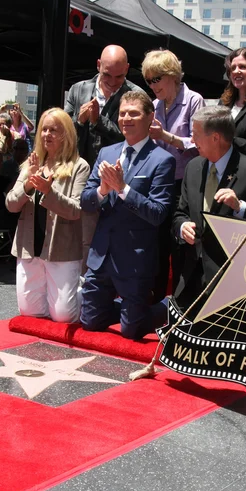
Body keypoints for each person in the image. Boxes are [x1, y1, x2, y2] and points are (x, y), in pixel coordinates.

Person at [80, 90, 175, 340]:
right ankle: (128, 312)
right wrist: (103, 189)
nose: (126, 119)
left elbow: (157, 213)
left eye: (133, 113)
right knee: (90, 322)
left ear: (150, 117)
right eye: (122, 113)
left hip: (135, 259)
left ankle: (165, 309)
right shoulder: (106, 153)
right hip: (102, 254)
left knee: (132, 332)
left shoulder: (162, 160)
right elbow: (86, 202)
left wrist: (123, 189)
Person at [172, 105, 246, 312]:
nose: (192, 140)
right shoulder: (193, 167)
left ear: (215, 138)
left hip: (228, 279)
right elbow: (180, 212)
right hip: (191, 275)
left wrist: (239, 206)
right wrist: (182, 227)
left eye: (196, 134)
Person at [5, 108, 90, 323]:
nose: (47, 135)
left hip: (62, 250)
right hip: (29, 247)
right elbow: (11, 205)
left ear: (67, 135)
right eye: (44, 129)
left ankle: (86, 292)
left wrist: (48, 192)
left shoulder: (79, 167)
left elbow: (76, 210)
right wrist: (27, 183)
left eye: (54, 130)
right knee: (30, 312)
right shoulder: (30, 164)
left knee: (63, 316)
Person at [141, 49, 205, 301]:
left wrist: (167, 137)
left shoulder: (194, 100)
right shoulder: (154, 105)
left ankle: (180, 303)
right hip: (159, 182)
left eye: (156, 79)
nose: (152, 85)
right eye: (148, 80)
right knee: (156, 243)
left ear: (172, 76)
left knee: (180, 244)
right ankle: (154, 300)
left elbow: (200, 143)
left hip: (185, 184)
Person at [64, 44, 143, 168]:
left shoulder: (137, 96)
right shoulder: (78, 89)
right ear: (98, 65)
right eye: (107, 75)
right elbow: (62, 129)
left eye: (119, 77)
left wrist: (98, 121)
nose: (112, 82)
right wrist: (79, 120)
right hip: (77, 170)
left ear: (127, 69)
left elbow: (135, 138)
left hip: (115, 172)